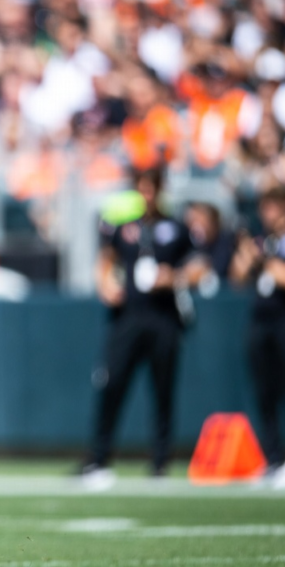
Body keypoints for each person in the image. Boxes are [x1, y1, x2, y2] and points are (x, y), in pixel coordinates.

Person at [81, 168, 194, 482]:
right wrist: (105, 284)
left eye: (151, 189)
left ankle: (160, 462)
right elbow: (106, 259)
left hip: (163, 317)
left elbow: (198, 264)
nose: (147, 196)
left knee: (163, 390)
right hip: (128, 317)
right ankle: (99, 458)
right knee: (112, 383)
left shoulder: (176, 228)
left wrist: (175, 277)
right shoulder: (123, 227)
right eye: (142, 189)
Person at [230, 187, 285, 475]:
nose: (268, 214)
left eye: (273, 207)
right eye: (265, 207)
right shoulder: (261, 240)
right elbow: (236, 278)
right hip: (259, 322)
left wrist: (265, 260)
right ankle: (273, 457)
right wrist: (246, 255)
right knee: (264, 391)